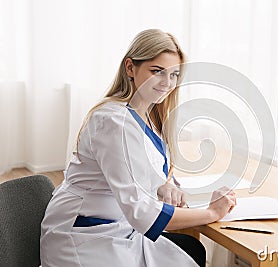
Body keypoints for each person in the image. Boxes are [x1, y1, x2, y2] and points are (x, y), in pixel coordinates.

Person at [40, 29, 236, 267]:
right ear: (130, 68)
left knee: (190, 251)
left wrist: (165, 186)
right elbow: (142, 212)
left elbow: (141, 168)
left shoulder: (148, 116)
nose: (167, 83)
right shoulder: (113, 122)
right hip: (83, 239)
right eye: (157, 72)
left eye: (174, 74)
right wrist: (211, 213)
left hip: (118, 229)